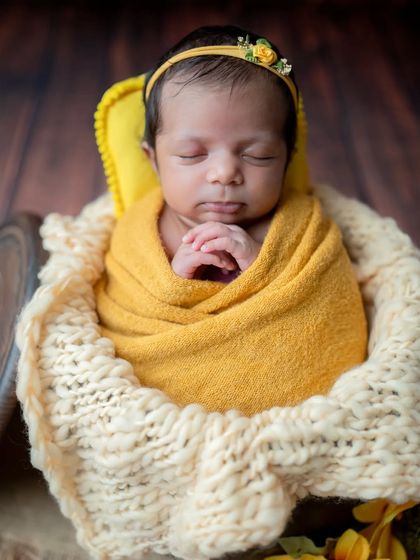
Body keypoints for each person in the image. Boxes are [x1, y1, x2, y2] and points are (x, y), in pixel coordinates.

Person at [94, 25, 368, 416]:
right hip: (172, 409)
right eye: (191, 155)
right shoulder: (140, 231)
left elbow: (328, 308)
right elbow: (123, 313)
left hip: (292, 409)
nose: (224, 173)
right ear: (153, 159)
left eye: (257, 155)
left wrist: (260, 267)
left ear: (288, 156)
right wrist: (176, 282)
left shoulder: (302, 225)